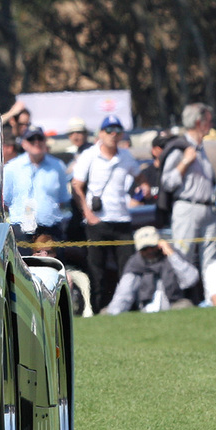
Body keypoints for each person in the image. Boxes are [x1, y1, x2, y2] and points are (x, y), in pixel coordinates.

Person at [71, 115, 142, 311]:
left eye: (118, 130)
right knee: (97, 269)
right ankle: (97, 307)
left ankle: (129, 307)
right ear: (101, 133)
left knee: (128, 268)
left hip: (122, 219)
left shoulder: (125, 156)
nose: (113, 134)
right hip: (97, 221)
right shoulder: (89, 155)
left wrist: (139, 195)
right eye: (109, 130)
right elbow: (76, 185)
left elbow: (141, 177)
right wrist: (87, 214)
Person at [162, 103, 216, 275]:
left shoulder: (202, 148)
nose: (211, 126)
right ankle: (179, 298)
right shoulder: (179, 148)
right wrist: (185, 162)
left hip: (207, 208)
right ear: (199, 122)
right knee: (182, 258)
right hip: (187, 207)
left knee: (212, 260)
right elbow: (167, 182)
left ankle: (213, 299)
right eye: (208, 121)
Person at [103, 226, 199, 313]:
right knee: (106, 312)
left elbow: (191, 279)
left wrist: (171, 254)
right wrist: (113, 313)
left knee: (186, 306)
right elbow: (124, 294)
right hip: (145, 310)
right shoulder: (134, 264)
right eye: (145, 249)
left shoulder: (172, 257)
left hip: (174, 304)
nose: (150, 251)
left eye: (153, 246)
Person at [2, 126, 71, 247]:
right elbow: (4, 202)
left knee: (52, 265)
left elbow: (62, 200)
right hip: (20, 228)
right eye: (31, 139)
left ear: (45, 142)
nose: (36, 142)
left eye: (40, 138)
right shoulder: (11, 168)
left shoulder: (58, 166)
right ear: (23, 143)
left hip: (50, 227)